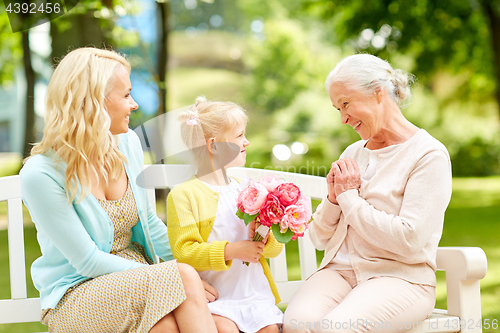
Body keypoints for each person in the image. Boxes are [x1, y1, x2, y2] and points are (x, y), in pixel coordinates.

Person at [20, 47, 218, 333]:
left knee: (166, 324)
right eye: (126, 95)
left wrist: (194, 257)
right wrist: (177, 275)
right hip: (77, 295)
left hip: (141, 280)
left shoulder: (126, 144)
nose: (134, 104)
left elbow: (148, 222)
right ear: (93, 102)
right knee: (181, 279)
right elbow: (87, 261)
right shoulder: (41, 174)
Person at [283, 54, 452, 333]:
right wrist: (333, 200)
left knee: (335, 329)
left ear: (378, 92)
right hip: (339, 273)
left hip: (399, 278)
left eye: (346, 104)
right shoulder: (352, 153)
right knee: (296, 326)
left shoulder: (428, 155)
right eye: (337, 108)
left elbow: (409, 239)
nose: (343, 118)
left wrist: (349, 197)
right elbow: (318, 237)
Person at [166, 97, 284, 333]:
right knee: (225, 330)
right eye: (240, 136)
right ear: (214, 146)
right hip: (215, 299)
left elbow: (272, 250)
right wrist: (231, 250)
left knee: (270, 329)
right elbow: (185, 252)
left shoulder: (249, 189)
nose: (247, 141)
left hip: (252, 294)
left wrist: (265, 236)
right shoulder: (183, 195)